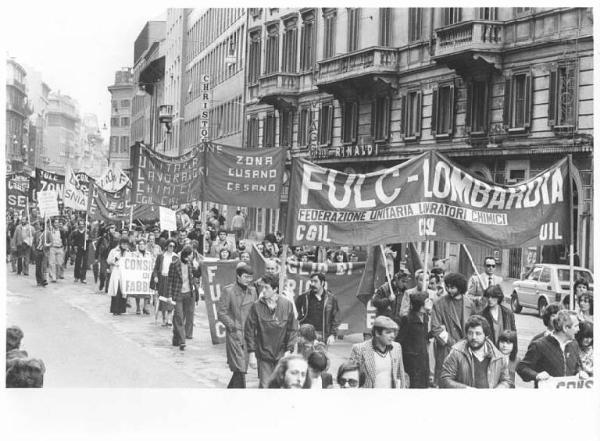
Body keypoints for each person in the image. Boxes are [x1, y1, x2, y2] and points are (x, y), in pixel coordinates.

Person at [245, 272, 298, 388]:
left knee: (281, 387)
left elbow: (292, 329)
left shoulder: (287, 305)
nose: (263, 290)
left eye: (266, 287)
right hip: (264, 355)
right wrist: (251, 354)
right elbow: (249, 331)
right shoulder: (256, 306)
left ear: (275, 289)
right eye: (262, 287)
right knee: (265, 386)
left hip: (282, 354)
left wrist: (289, 350)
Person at [517, 310, 587, 387]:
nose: (578, 329)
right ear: (565, 328)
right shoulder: (539, 345)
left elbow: (577, 365)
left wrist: (580, 372)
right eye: (576, 326)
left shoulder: (574, 344)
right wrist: (536, 375)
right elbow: (522, 368)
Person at [439, 315, 512, 388]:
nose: (473, 337)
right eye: (470, 333)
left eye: (478, 333)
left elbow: (506, 381)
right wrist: (465, 389)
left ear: (486, 336)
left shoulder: (498, 356)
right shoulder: (456, 353)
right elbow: (444, 379)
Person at [217, 262, 258, 388]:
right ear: (238, 276)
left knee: (241, 369)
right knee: (240, 367)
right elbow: (221, 313)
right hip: (235, 334)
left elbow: (255, 311)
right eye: (246, 277)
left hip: (249, 334)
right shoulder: (228, 291)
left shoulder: (253, 291)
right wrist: (232, 326)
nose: (248, 280)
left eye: (250, 277)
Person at [431, 272, 475, 386]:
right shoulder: (439, 303)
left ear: (460, 288)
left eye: (452, 287)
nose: (449, 290)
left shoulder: (470, 303)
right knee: (446, 383)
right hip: (447, 350)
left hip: (466, 351)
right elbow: (436, 328)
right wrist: (453, 343)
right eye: (447, 287)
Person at [349, 315, 408, 388]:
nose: (392, 336)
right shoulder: (359, 349)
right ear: (377, 333)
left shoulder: (396, 347)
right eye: (388, 332)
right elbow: (350, 377)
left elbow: (400, 374)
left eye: (393, 332)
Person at [397, 292, 432, 388]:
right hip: (411, 362)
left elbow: (423, 336)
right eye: (427, 301)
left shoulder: (425, 317)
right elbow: (399, 340)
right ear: (421, 305)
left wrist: (432, 333)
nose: (430, 303)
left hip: (423, 359)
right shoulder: (407, 319)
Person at [167, 246, 198, 350]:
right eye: (191, 255)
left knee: (184, 317)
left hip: (189, 294)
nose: (192, 257)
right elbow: (170, 281)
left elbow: (194, 277)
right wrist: (170, 296)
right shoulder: (174, 265)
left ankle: (176, 337)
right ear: (187, 255)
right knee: (179, 316)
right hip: (178, 294)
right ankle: (182, 341)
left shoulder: (190, 264)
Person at [295, 272, 339, 345]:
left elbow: (336, 318)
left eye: (315, 281)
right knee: (304, 356)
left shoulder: (331, 298)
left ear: (322, 283)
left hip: (323, 336)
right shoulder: (303, 297)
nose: (312, 284)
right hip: (306, 335)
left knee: (320, 356)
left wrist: (333, 335)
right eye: (311, 281)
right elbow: (295, 313)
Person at [151, 239, 177, 326]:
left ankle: (169, 318)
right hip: (162, 278)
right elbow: (156, 268)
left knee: (170, 298)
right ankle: (163, 318)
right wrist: (155, 276)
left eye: (173, 246)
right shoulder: (161, 256)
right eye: (170, 246)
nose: (172, 248)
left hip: (171, 280)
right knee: (162, 298)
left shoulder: (176, 257)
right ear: (167, 246)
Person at [107, 238, 131, 315]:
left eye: (126, 244)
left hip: (124, 272)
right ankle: (114, 309)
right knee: (116, 290)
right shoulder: (114, 251)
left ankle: (121, 309)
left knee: (123, 290)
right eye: (123, 244)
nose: (124, 245)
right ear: (120, 244)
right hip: (116, 271)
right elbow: (109, 260)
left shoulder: (128, 252)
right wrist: (115, 259)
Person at [133, 238, 152, 315]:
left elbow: (151, 262)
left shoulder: (149, 254)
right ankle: (138, 307)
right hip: (138, 274)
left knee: (147, 291)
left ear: (145, 245)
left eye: (143, 244)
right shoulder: (135, 254)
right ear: (138, 245)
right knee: (138, 291)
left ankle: (145, 307)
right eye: (140, 244)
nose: (141, 246)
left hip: (146, 274)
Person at [47, 218, 65, 282]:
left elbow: (64, 239)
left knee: (59, 263)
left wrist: (64, 247)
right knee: (51, 263)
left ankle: (57, 275)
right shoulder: (50, 231)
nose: (56, 224)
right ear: (53, 223)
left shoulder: (62, 231)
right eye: (55, 223)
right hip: (52, 248)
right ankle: (53, 277)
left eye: (57, 223)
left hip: (60, 248)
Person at [33, 221, 49, 287]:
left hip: (44, 252)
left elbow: (51, 242)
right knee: (38, 267)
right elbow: (33, 243)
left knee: (44, 267)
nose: (42, 227)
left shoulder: (47, 233)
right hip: (38, 251)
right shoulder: (36, 233)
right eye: (41, 226)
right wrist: (34, 251)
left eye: (44, 226)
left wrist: (47, 244)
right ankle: (38, 280)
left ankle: (44, 280)